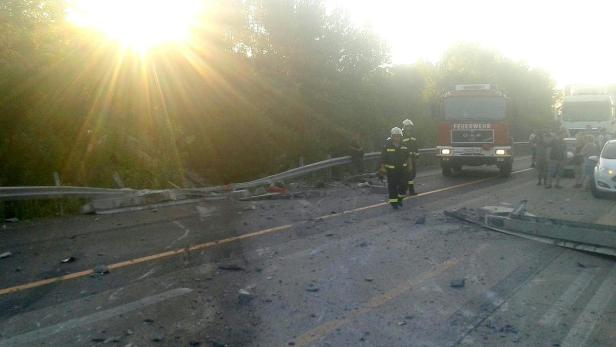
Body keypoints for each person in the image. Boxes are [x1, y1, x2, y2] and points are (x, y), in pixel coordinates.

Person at [379, 127, 412, 209]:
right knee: (392, 186)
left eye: (398, 136)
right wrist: (382, 168)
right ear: (392, 136)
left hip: (403, 170)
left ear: (401, 137)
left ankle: (400, 198)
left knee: (404, 185)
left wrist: (410, 166)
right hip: (391, 171)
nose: (397, 138)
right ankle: (394, 203)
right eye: (395, 136)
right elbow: (382, 159)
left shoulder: (404, 146)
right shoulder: (387, 146)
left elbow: (408, 157)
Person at [402, 119, 419, 195]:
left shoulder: (413, 136)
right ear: (404, 127)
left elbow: (416, 147)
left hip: (413, 158)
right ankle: (410, 191)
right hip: (406, 159)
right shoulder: (402, 136)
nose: (409, 128)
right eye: (407, 126)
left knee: (413, 174)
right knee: (409, 174)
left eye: (410, 126)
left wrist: (417, 155)